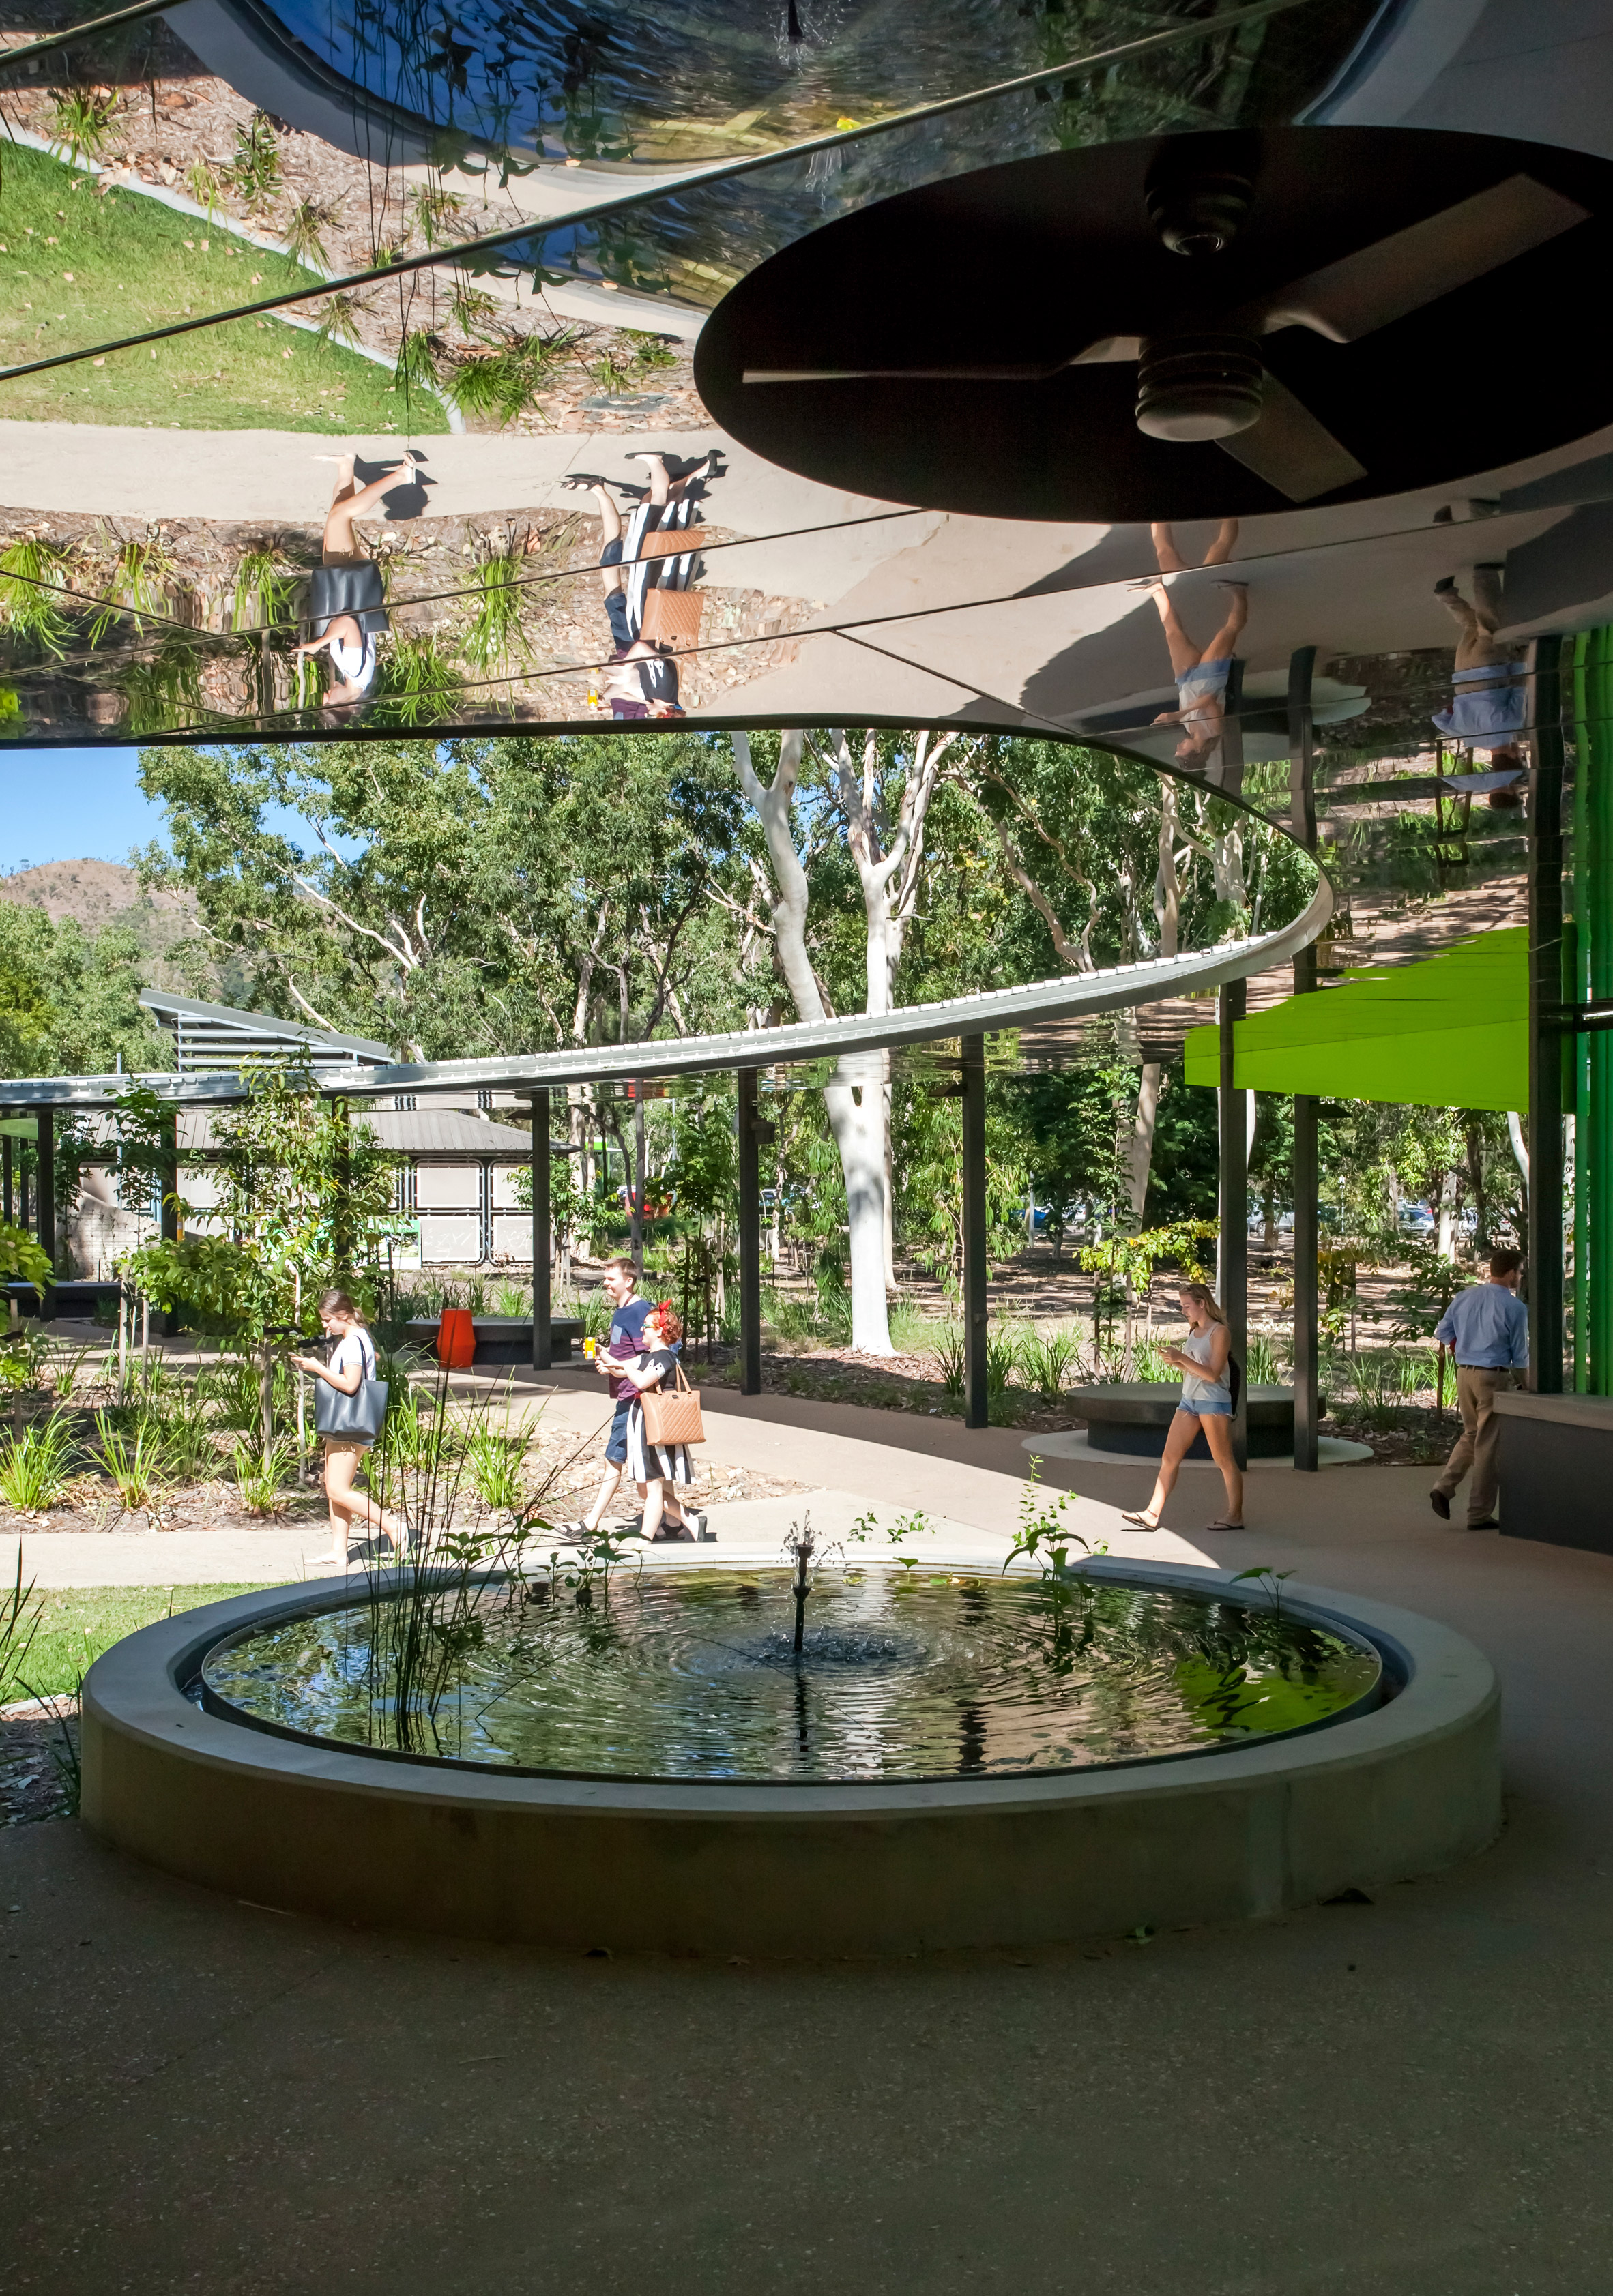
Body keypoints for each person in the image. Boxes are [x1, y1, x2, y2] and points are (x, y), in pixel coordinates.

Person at [565, 450, 715, 719]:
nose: (647, 712)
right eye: (653, 715)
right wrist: (624, 668)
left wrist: (610, 693)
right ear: (664, 713)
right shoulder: (664, 692)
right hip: (646, 613)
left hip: (646, 613)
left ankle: (690, 477)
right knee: (653, 515)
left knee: (655, 515)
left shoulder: (656, 694)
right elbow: (646, 652)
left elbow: (632, 684)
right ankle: (661, 465)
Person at [290, 451, 422, 707]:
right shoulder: (354, 669)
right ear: (342, 706)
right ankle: (402, 477)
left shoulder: (358, 677)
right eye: (328, 702)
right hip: (349, 588)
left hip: (347, 588)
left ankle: (345, 465)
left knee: (336, 516)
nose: (326, 695)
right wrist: (318, 644)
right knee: (340, 517)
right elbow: (349, 624)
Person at [289, 1287, 407, 1569]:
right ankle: (338, 1551)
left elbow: (351, 1384)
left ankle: (394, 1527)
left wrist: (317, 1368)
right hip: (350, 1426)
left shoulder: (353, 1341)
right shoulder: (360, 1337)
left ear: (343, 1316)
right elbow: (371, 1363)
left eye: (328, 1320)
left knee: (338, 1490)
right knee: (334, 1487)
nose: (325, 1325)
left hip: (349, 1426)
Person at [1120, 1282, 1244, 1533]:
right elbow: (1193, 1370)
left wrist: (1182, 1358)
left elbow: (1212, 1375)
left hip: (1213, 1401)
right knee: (1169, 1457)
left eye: (1187, 1305)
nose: (1184, 1310)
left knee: (1223, 1460)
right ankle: (1152, 1513)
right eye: (1182, 1306)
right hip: (1189, 1400)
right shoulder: (1194, 1331)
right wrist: (1175, 1362)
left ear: (1202, 1304)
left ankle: (1235, 1515)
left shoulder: (1219, 1332)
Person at [1430, 1248, 1530, 1529]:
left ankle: (1444, 1486)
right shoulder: (1515, 1308)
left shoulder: (1465, 1297)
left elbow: (1443, 1331)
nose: (1520, 1277)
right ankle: (1479, 1513)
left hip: (1464, 1374)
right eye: (1520, 1271)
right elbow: (1520, 1355)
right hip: (1493, 1377)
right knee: (1488, 1446)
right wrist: (1527, 1384)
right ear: (1511, 1273)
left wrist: (1462, 1348)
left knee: (1472, 1434)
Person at [1145, 519, 1247, 771]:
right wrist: (1177, 715)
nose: (1178, 748)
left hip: (1186, 679)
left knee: (1173, 634)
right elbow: (1208, 698)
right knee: (1227, 631)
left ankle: (1157, 592)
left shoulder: (1190, 728)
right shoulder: (1213, 730)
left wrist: (1179, 716)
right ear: (1199, 751)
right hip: (1209, 679)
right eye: (1182, 752)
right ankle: (1239, 595)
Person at [571, 1255, 656, 1537]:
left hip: (636, 1398)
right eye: (605, 1278)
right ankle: (675, 1523)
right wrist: (606, 1361)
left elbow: (653, 1353)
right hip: (625, 1394)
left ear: (628, 1281)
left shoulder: (640, 1311)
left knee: (614, 1459)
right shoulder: (621, 1312)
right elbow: (626, 1353)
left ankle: (591, 1523)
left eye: (611, 1279)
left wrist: (622, 1370)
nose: (605, 1283)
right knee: (647, 1473)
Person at [611, 1299, 707, 1540]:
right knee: (645, 1488)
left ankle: (644, 1540)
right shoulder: (646, 1357)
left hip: (654, 1429)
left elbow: (642, 1381)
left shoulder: (665, 1357)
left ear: (661, 1332)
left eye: (647, 1326)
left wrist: (624, 1367)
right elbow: (622, 1367)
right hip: (644, 1427)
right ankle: (683, 1521)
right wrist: (605, 1359)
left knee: (652, 1487)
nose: (642, 1329)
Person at [1432, 565, 1526, 778]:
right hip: (1462, 675)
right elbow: (1439, 720)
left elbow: (1520, 689)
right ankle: (1446, 595)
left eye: (1520, 756)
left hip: (1489, 671)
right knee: (1471, 627)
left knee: (1490, 622)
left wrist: (1522, 658)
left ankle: (1485, 575)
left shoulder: (1511, 725)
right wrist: (1457, 708)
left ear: (1512, 756)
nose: (1520, 751)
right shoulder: (1468, 738)